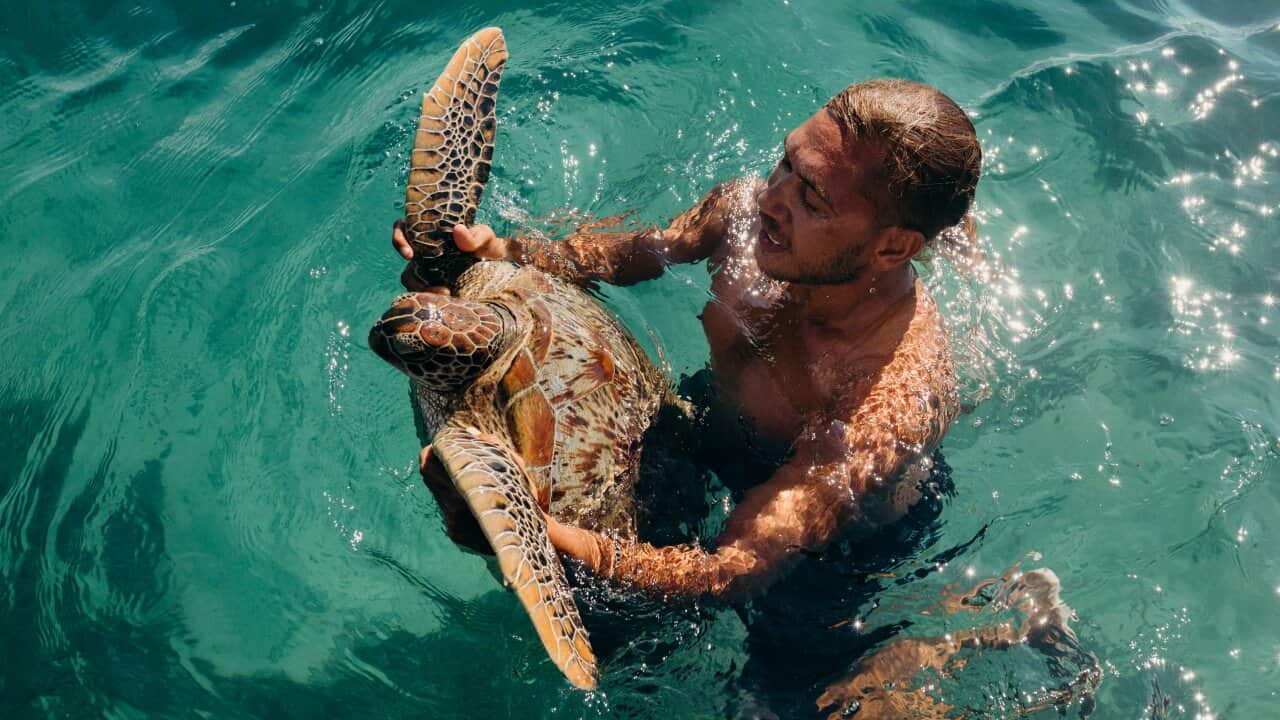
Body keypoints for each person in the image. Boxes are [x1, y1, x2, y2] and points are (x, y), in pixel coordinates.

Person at [395, 78, 983, 713]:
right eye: (786, 160)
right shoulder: (744, 217)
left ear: (894, 247)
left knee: (772, 702)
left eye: (811, 197)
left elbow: (731, 571)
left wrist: (535, 537)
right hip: (711, 427)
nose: (772, 197)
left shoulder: (887, 395)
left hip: (837, 545)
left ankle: (974, 639)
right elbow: (635, 253)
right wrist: (503, 251)